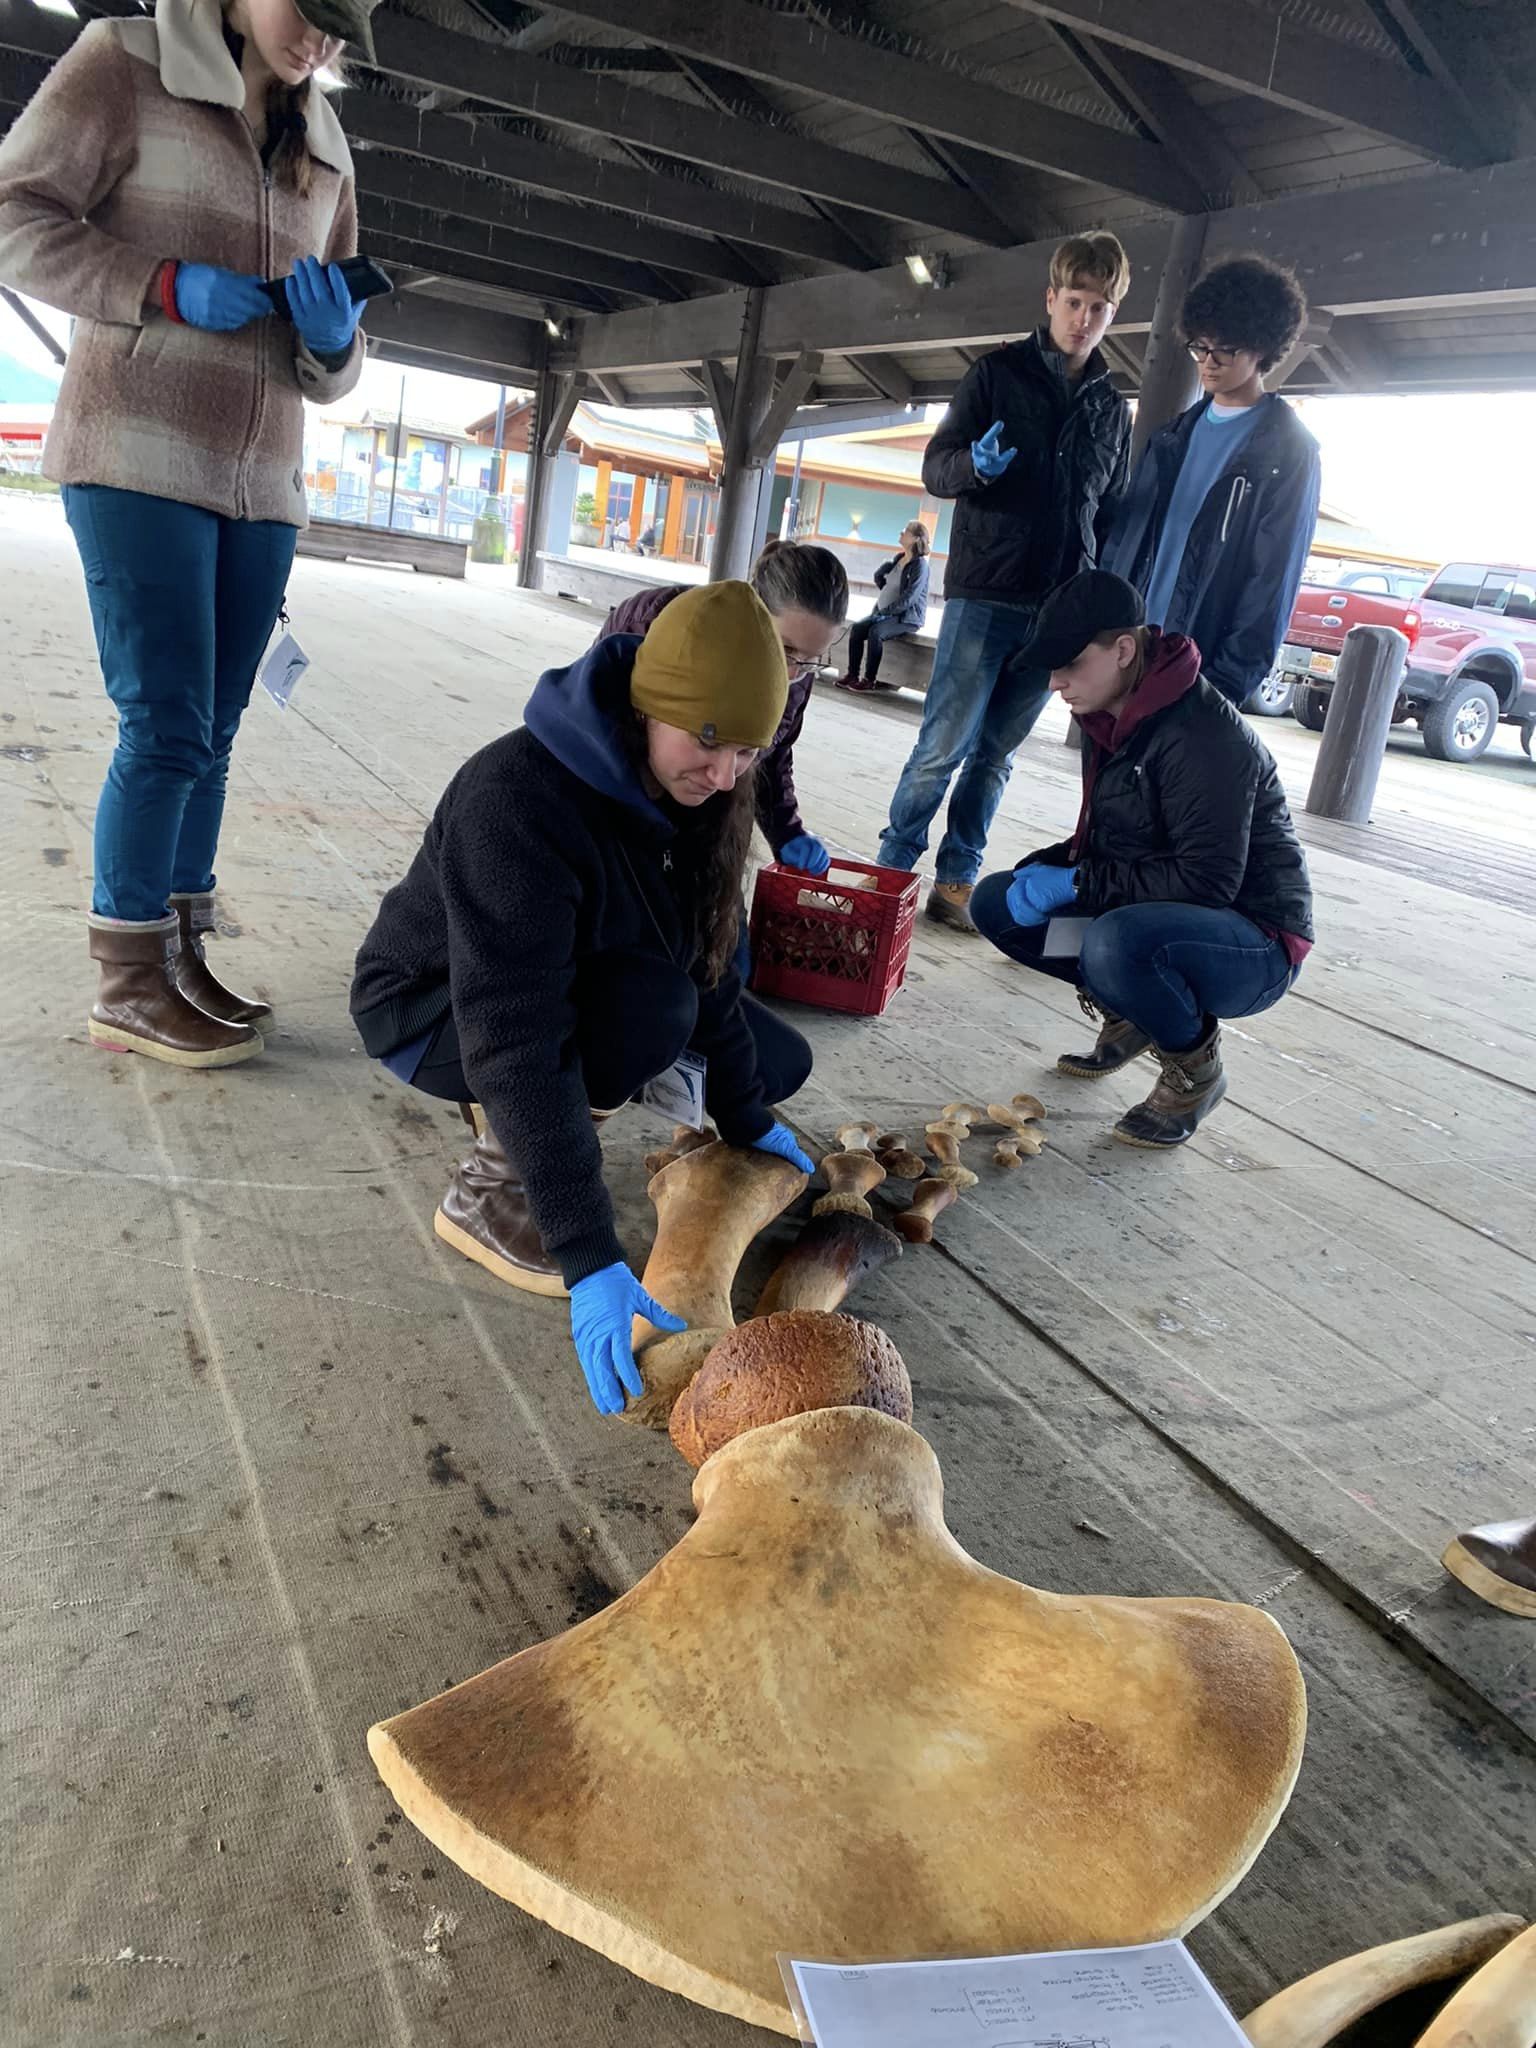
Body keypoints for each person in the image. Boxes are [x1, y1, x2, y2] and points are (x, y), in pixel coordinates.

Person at [0, 0, 375, 1068]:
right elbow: (12, 214)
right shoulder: (126, 63)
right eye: (308, 11)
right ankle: (126, 979)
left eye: (341, 30)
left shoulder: (326, 143)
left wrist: (334, 341)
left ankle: (177, 952)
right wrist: (156, 283)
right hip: (137, 454)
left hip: (262, 481)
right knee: (164, 724)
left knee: (212, 733)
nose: (319, 43)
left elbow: (338, 363)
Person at [350, 581, 818, 1417]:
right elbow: (513, 1035)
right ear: (647, 706)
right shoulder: (516, 798)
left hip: (568, 970)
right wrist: (587, 1248)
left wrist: (746, 1114)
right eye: (709, 741)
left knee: (777, 1060)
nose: (724, 775)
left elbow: (709, 958)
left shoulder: (708, 791)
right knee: (653, 1013)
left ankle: (567, 1114)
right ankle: (492, 1192)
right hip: (433, 1008)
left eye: (749, 752)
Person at [970, 571, 1313, 1149]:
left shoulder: (1203, 736)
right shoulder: (1110, 716)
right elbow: (1118, 839)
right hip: (1161, 912)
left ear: (1124, 650)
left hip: (1252, 943)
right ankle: (1132, 1010)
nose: (1055, 682)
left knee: (1116, 944)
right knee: (997, 904)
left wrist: (1078, 881)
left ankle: (1195, 1072)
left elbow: (1206, 880)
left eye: (1070, 664)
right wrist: (1050, 865)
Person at [877, 232, 1133, 935]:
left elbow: (1111, 513)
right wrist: (975, 468)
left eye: (1098, 307)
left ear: (1112, 315)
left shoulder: (1112, 409)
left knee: (996, 757)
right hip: (984, 597)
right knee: (942, 747)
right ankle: (893, 870)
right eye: (1074, 301)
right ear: (1050, 299)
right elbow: (937, 468)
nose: (1083, 318)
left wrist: (1099, 610)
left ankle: (956, 881)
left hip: (1057, 614)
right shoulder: (995, 375)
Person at [1101, 256, 1321, 710]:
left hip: (1196, 670)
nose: (1208, 362)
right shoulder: (1170, 438)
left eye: (1225, 350)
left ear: (1261, 348)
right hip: (1127, 653)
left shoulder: (1288, 452)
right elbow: (1125, 544)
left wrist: (1222, 688)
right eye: (1200, 347)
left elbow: (1272, 583)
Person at [600, 540, 849, 881]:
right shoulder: (655, 627)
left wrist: (786, 829)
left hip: (709, 816)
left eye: (811, 659)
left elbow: (772, 756)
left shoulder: (796, 677)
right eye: (785, 649)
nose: (791, 673)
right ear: (752, 608)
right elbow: (597, 722)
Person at [836, 521, 930, 694]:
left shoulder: (920, 566)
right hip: (884, 612)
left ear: (916, 539)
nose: (901, 533)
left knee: (876, 632)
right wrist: (880, 576)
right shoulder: (898, 558)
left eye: (906, 531)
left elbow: (910, 597)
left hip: (906, 617)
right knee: (857, 629)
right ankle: (852, 674)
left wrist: (887, 611)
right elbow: (887, 583)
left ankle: (869, 679)